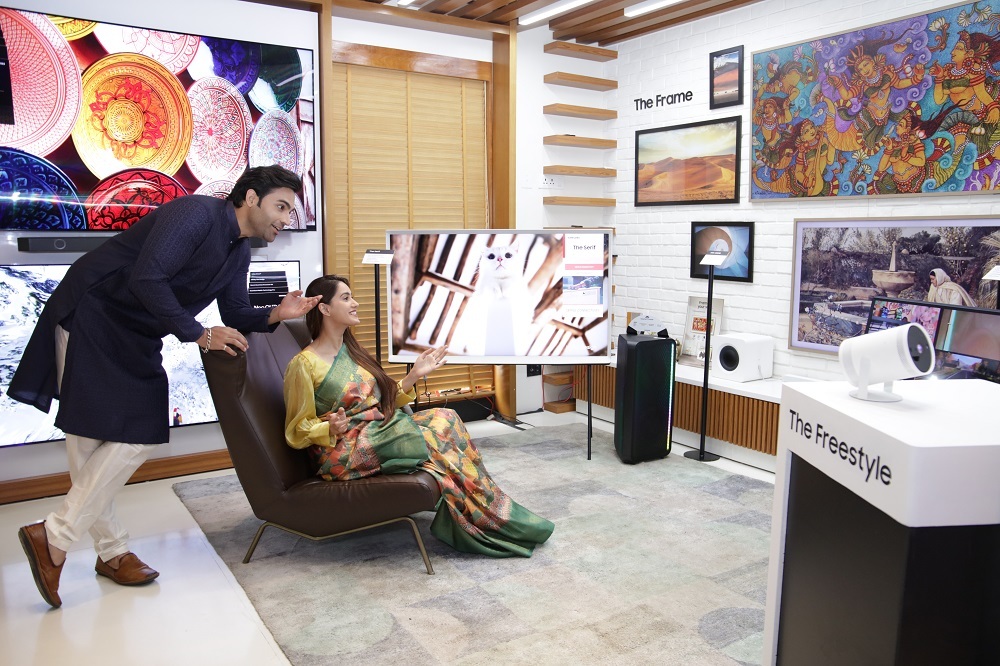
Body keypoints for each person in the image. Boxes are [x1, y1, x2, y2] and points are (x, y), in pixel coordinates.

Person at [8, 165, 321, 608]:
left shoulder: (239, 251)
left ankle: (57, 537)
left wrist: (277, 313)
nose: (286, 219)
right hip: (92, 313)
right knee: (89, 442)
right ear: (251, 198)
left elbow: (234, 312)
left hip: (138, 332)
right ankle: (109, 552)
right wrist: (198, 334)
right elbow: (147, 278)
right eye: (282, 207)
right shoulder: (195, 214)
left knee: (133, 435)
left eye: (291, 211)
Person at [283, 275, 554, 558]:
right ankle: (484, 518)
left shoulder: (352, 351)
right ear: (325, 309)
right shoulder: (303, 364)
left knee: (446, 416)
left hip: (377, 432)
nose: (356, 303)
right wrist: (328, 428)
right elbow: (296, 429)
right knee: (434, 435)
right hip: (343, 450)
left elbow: (383, 402)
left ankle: (486, 508)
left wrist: (414, 375)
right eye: (346, 297)